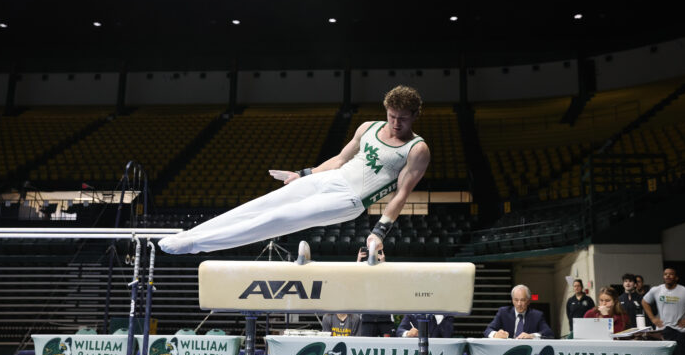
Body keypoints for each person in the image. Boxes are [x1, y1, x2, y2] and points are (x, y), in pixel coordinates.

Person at [158, 86, 430, 255]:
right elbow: (338, 160)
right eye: (391, 116)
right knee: (261, 205)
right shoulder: (368, 127)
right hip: (331, 178)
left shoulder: (417, 149)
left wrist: (379, 232)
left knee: (279, 217)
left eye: (403, 118)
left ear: (416, 115)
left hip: (350, 200)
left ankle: (197, 246)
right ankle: (190, 235)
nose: (395, 123)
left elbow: (401, 195)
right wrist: (303, 174)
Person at [484, 285, 554, 339]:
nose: (519, 304)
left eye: (522, 300)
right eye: (516, 300)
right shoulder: (503, 312)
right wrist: (495, 334)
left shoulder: (537, 315)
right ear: (512, 300)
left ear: (528, 301)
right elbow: (487, 330)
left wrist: (532, 336)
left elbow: (549, 333)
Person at [356, 246, 394, 336]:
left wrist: (383, 263)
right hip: (367, 317)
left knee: (388, 343)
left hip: (385, 316)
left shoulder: (386, 268)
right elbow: (355, 282)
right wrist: (358, 261)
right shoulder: (361, 267)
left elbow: (389, 284)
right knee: (365, 343)